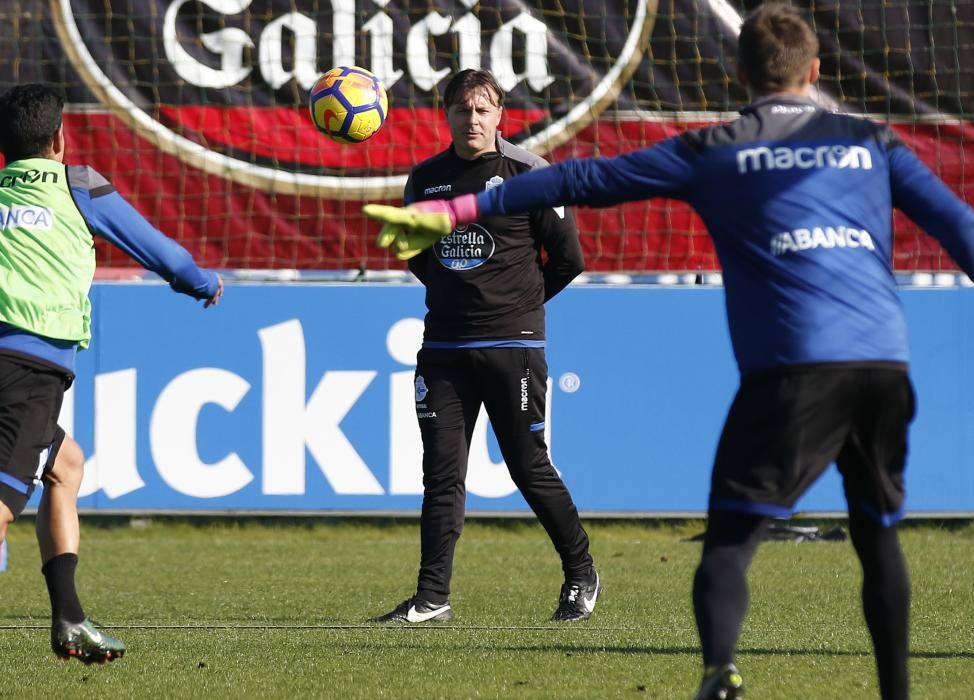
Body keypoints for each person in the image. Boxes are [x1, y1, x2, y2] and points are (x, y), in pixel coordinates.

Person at [364, 4, 974, 697]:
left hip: (791, 370)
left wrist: (460, 210)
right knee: (878, 534)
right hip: (885, 365)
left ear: (739, 73)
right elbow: (961, 229)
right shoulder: (876, 142)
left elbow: (582, 181)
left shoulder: (719, 145)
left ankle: (718, 673)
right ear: (816, 71)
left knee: (730, 541)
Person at [0, 83, 223, 664]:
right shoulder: (79, 184)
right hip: (26, 365)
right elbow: (157, 250)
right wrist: (202, 281)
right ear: (59, 138)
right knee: (1, 504)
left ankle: (70, 619)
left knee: (64, 465)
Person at [370, 69, 601, 624]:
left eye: (483, 109)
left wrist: (516, 309)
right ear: (445, 115)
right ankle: (431, 599)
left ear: (500, 115)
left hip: (512, 346)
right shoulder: (425, 179)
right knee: (441, 475)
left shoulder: (528, 173)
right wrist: (458, 300)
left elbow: (569, 260)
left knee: (527, 466)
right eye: (461, 110)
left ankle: (581, 572)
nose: (472, 120)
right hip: (444, 349)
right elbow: (419, 255)